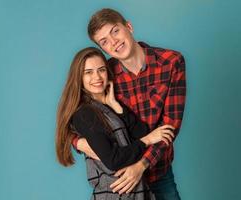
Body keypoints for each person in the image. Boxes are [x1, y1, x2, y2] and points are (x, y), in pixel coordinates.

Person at [72, 8, 186, 200]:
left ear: (129, 27)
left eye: (115, 31)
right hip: (124, 181)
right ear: (103, 49)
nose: (114, 42)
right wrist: (77, 142)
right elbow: (78, 115)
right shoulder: (104, 73)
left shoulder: (171, 62)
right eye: (104, 41)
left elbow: (170, 126)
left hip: (158, 171)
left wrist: (141, 166)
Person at [55, 47, 176, 200]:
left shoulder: (108, 104)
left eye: (101, 70)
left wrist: (116, 106)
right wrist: (149, 140)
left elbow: (141, 132)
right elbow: (113, 160)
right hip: (114, 194)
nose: (97, 77)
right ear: (78, 77)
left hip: (135, 191)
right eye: (88, 72)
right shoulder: (85, 113)